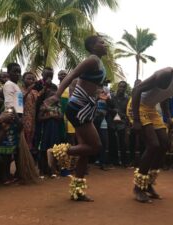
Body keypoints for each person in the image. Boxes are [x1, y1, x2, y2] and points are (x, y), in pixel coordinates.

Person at [130, 50, 173, 203]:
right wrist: (135, 119)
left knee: (165, 144)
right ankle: (138, 187)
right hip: (137, 106)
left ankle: (148, 184)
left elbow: (165, 97)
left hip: (151, 108)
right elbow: (136, 90)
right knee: (153, 145)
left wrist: (168, 117)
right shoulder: (166, 73)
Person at [45, 35, 107, 201]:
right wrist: (57, 94)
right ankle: (56, 152)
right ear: (93, 47)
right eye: (101, 42)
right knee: (95, 146)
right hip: (79, 107)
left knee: (85, 149)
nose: (105, 44)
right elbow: (71, 76)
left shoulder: (99, 62)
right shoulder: (92, 60)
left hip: (85, 108)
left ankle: (78, 191)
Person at [108, 81, 129, 167]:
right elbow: (108, 108)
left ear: (125, 89)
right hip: (112, 121)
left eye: (124, 87)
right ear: (118, 87)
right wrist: (114, 111)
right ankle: (114, 161)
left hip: (122, 123)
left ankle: (124, 162)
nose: (122, 89)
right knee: (112, 142)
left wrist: (121, 115)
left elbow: (128, 112)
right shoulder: (112, 96)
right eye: (120, 86)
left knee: (122, 142)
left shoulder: (127, 99)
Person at [21, 72, 39, 160]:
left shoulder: (35, 92)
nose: (31, 80)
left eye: (33, 79)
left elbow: (40, 98)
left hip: (32, 118)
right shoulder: (20, 90)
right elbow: (21, 99)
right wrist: (28, 89)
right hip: (23, 117)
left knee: (30, 138)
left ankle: (28, 160)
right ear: (23, 79)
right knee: (24, 138)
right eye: (29, 78)